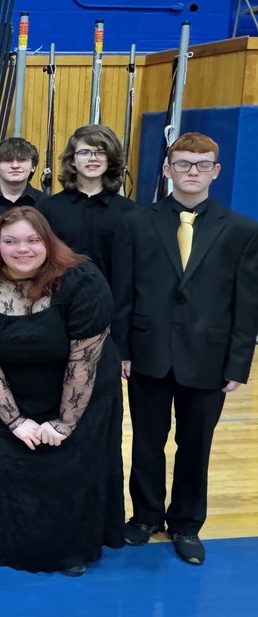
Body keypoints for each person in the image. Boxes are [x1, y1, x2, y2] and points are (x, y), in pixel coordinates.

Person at [112, 132, 258, 566]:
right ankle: (145, 515)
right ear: (167, 168)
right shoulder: (137, 223)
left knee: (196, 444)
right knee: (147, 442)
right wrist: (121, 347)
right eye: (183, 163)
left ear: (216, 170)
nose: (191, 171)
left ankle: (187, 523)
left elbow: (246, 302)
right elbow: (123, 292)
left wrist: (239, 361)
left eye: (201, 164)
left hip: (208, 358)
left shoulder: (241, 230)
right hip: (147, 351)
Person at [0, 207, 124, 576]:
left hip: (80, 387)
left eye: (33, 240)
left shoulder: (82, 279)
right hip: (6, 389)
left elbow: (83, 362)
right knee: (8, 464)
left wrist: (63, 424)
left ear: (48, 241)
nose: (22, 249)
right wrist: (15, 421)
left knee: (67, 468)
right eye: (11, 241)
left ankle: (71, 548)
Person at [37, 125, 136, 283]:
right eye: (84, 152)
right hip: (58, 299)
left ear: (110, 160)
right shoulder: (47, 208)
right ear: (72, 160)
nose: (93, 158)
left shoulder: (130, 211)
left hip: (111, 302)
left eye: (101, 152)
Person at [0, 137, 43, 213]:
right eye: (8, 160)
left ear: (33, 166)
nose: (15, 166)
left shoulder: (46, 203)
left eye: (22, 160)